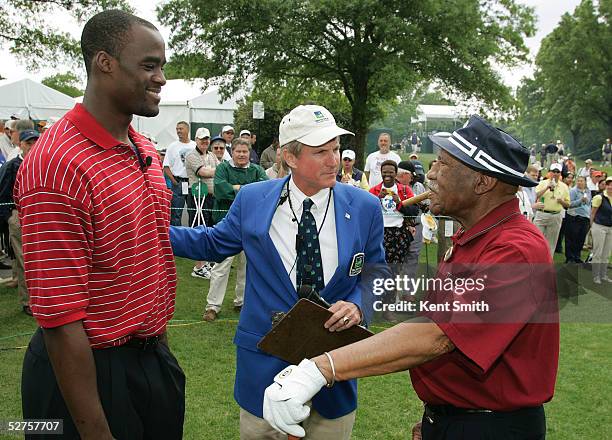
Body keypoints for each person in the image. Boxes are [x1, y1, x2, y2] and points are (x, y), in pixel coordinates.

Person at [263, 115, 559, 440]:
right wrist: (440, 417)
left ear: (482, 182)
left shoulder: (516, 250)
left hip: (492, 427)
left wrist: (321, 368)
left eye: (443, 165)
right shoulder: (473, 238)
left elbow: (439, 334)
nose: (429, 173)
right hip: (459, 419)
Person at [170, 104, 388, 439]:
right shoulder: (254, 199)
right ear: (289, 157)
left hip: (334, 368)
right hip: (264, 366)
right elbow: (212, 243)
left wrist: (358, 304)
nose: (334, 160)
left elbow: (378, 274)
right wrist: (150, 230)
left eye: (335, 149)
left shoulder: (364, 207)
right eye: (321, 152)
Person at [16, 10, 185, 439]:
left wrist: (157, 348)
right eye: (149, 65)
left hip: (148, 359)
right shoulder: (57, 164)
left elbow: (145, 261)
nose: (161, 78)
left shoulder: (143, 146)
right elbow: (60, 316)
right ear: (104, 63)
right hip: (81, 376)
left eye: (162, 65)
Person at [202, 138, 268, 321]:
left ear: (249, 153)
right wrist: (247, 191)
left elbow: (264, 192)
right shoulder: (223, 168)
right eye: (238, 151)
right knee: (221, 267)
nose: (241, 155)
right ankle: (212, 306)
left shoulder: (257, 170)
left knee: (246, 267)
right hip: (226, 226)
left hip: (250, 226)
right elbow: (221, 190)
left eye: (245, 152)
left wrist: (237, 189)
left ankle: (242, 302)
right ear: (233, 152)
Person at [0, 129, 40, 315]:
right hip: (18, 214)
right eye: (28, 143)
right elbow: (3, 194)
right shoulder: (12, 166)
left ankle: (38, 297)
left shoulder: (42, 163)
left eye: (35, 142)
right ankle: (28, 302)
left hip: (38, 214)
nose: (32, 146)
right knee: (25, 259)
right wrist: (9, 217)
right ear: (20, 145)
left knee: (37, 259)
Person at [185, 127, 218, 279]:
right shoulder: (191, 155)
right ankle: (198, 266)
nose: (205, 142)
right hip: (197, 196)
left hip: (210, 196)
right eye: (202, 139)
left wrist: (212, 169)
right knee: (199, 229)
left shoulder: (211, 155)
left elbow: (217, 169)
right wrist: (214, 170)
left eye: (207, 139)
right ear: (196, 140)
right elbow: (203, 172)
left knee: (210, 228)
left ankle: (206, 262)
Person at [163, 120, 196, 225]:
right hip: (178, 182)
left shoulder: (195, 145)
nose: (178, 131)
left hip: (192, 183)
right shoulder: (173, 146)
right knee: (176, 213)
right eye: (177, 129)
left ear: (187, 130)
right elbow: (166, 166)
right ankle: (177, 238)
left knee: (194, 211)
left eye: (181, 129)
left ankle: (193, 235)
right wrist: (174, 181)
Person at [533, 163, 570, 255]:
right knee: (536, 240)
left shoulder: (564, 186)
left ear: (560, 173)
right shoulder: (542, 183)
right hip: (542, 214)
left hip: (556, 215)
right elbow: (535, 195)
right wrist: (547, 187)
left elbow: (568, 204)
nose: (555, 173)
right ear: (550, 172)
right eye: (553, 171)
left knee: (551, 243)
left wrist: (561, 201)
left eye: (557, 172)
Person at [590, 176, 612, 283]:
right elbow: (593, 213)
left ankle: (603, 274)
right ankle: (596, 275)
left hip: (610, 228)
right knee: (598, 252)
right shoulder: (599, 197)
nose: (611, 187)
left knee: (606, 253)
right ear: (606, 186)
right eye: (609, 184)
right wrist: (591, 227)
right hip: (599, 226)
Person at [565, 176, 591, 263]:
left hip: (585, 217)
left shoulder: (588, 191)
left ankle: (577, 256)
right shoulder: (573, 191)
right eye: (578, 181)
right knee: (572, 238)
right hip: (574, 217)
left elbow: (589, 203)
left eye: (581, 181)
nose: (579, 182)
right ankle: (570, 257)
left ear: (585, 182)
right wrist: (580, 200)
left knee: (581, 238)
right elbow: (570, 204)